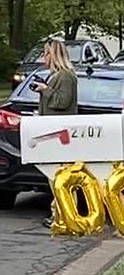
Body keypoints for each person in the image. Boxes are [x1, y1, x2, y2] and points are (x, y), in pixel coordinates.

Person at [34, 38, 78, 229]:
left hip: (62, 135)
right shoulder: (54, 76)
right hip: (51, 132)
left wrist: (46, 90)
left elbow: (62, 102)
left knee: (62, 176)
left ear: (55, 55)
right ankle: (59, 213)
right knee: (54, 176)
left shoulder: (66, 76)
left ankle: (66, 215)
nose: (44, 57)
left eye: (47, 53)